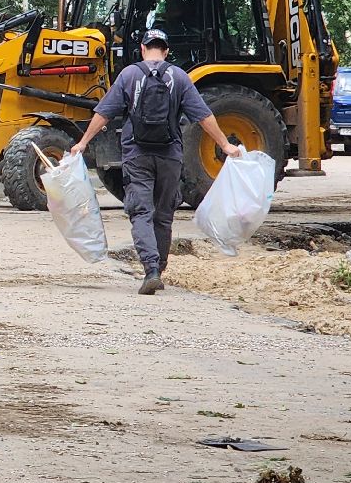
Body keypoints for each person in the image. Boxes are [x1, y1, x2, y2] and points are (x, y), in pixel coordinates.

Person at [67, 27, 245, 295]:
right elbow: (203, 116)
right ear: (166, 51)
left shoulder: (129, 75)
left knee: (141, 211)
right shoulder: (179, 77)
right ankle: (159, 268)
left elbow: (103, 113)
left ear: (142, 48)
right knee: (164, 214)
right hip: (170, 155)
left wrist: (82, 142)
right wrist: (224, 145)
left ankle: (150, 269)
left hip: (137, 154)